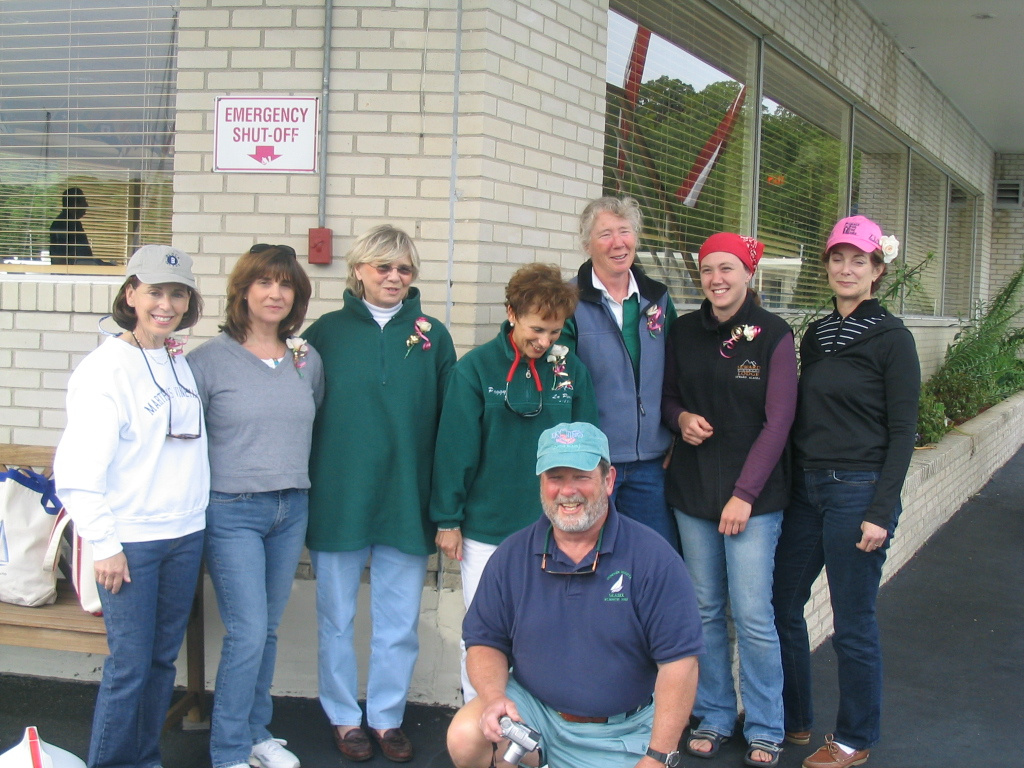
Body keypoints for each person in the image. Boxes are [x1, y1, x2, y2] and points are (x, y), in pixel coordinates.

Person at [446, 422, 703, 768]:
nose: (567, 491)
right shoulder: (512, 555)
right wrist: (493, 698)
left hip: (619, 732)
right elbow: (484, 640)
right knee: (465, 734)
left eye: (581, 476)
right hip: (532, 715)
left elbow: (680, 663)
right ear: (541, 483)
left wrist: (658, 756)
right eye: (555, 477)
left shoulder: (654, 559)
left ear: (609, 480)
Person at [304, 225, 456, 764]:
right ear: (359, 270)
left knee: (398, 623)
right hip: (339, 498)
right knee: (335, 619)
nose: (394, 277)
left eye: (404, 269)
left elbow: (450, 424)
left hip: (405, 501)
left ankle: (387, 717)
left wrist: (446, 505)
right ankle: (344, 717)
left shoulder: (433, 335)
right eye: (383, 267)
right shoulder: (325, 333)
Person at [772, 216, 920, 768]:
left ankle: (855, 739)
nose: (847, 269)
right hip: (808, 491)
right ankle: (794, 718)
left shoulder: (893, 338)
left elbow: (904, 431)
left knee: (852, 622)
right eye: (838, 258)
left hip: (858, 492)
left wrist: (881, 511)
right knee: (781, 602)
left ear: (877, 270)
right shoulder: (817, 335)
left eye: (860, 260)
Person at [53, 245, 208, 768]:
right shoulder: (105, 369)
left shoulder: (175, 359)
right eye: (155, 292)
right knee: (130, 666)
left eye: (178, 294)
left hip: (183, 534)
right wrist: (105, 543)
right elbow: (78, 472)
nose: (167, 304)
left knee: (161, 662)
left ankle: (144, 759)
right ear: (131, 295)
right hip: (131, 543)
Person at [431, 262, 598, 702]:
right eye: (536, 329)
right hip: (488, 529)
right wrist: (448, 519)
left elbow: (589, 447)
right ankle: (481, 718)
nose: (544, 342)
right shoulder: (475, 370)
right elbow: (454, 451)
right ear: (511, 314)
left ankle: (541, 723)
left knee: (550, 630)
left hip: (555, 529)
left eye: (554, 332)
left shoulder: (571, 371)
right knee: (485, 631)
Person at [662, 233, 798, 767]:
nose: (716, 279)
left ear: (748, 273)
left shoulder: (774, 334)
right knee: (704, 610)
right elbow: (667, 396)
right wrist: (680, 419)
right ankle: (715, 712)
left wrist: (744, 495)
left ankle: (765, 724)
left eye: (727, 268)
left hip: (753, 500)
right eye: (707, 270)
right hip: (694, 491)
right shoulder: (682, 331)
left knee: (752, 613)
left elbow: (779, 422)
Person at [188, 244, 324, 768]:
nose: (275, 293)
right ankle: (227, 751)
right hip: (232, 511)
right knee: (246, 632)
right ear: (243, 291)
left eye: (286, 284)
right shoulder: (206, 362)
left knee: (265, 629)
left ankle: (255, 733)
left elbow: (311, 420)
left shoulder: (305, 360)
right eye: (264, 282)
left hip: (291, 508)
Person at [560, 196, 678, 548]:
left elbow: (678, 372)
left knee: (654, 559)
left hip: (652, 464)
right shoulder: (569, 302)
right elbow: (560, 385)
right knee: (590, 555)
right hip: (592, 463)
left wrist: (677, 433)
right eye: (605, 234)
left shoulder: (657, 298)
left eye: (625, 231)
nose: (618, 243)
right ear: (587, 245)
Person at [49, 186, 103, 266]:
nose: (86, 205)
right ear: (74, 204)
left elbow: (84, 256)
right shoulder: (63, 224)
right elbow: (61, 259)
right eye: (83, 202)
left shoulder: (73, 223)